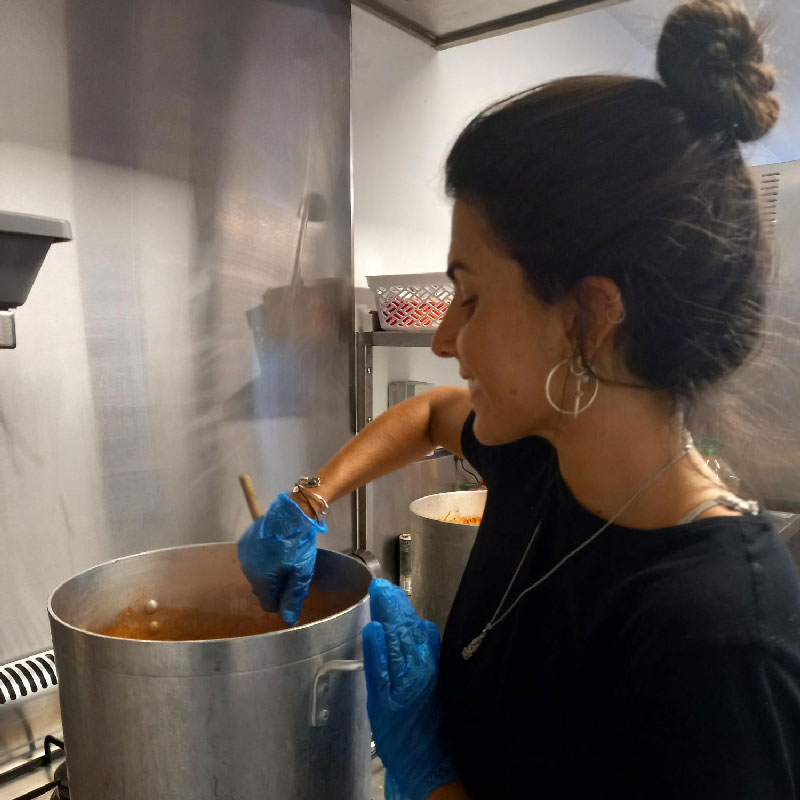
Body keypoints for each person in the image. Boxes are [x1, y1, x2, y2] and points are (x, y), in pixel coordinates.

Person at [238, 0, 800, 796]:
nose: (442, 340)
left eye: (468, 297)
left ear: (591, 315)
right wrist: (310, 498)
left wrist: (430, 773)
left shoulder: (720, 640)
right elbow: (429, 415)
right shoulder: (548, 459)